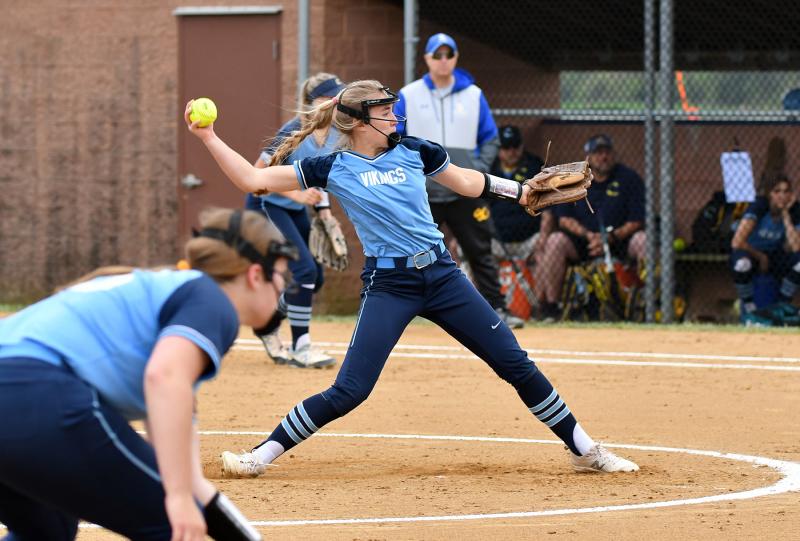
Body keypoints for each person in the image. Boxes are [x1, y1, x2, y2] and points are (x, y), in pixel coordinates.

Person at [184, 79, 640, 478]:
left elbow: (466, 181)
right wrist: (207, 136)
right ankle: (260, 455)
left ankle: (585, 450)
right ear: (360, 122)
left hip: (442, 276)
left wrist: (519, 192)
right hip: (389, 286)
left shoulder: (417, 150)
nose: (394, 115)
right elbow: (251, 180)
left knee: (515, 364)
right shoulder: (333, 166)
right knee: (349, 390)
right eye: (384, 111)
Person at [0, 207, 296, 540]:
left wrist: (185, 494)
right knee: (173, 524)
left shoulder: (168, 291)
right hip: (34, 394)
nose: (283, 289)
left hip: (20, 397)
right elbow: (164, 376)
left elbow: (192, 481)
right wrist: (179, 499)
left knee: (48, 529)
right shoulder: (212, 300)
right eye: (281, 277)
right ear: (256, 274)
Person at [394, 33, 524, 329]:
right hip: (424, 192)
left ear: (455, 58)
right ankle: (400, 309)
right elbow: (394, 138)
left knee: (480, 250)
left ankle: (498, 309)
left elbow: (489, 138)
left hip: (465, 191)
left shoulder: (473, 94)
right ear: (426, 59)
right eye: (436, 55)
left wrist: (474, 170)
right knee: (411, 249)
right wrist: (412, 174)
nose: (442, 61)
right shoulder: (409, 94)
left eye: (448, 54)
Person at [245, 72, 346, 369]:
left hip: (294, 207)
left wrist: (325, 213)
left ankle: (267, 323)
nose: (337, 102)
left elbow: (321, 176)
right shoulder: (291, 132)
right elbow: (255, 177)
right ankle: (301, 346)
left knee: (315, 277)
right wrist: (298, 197)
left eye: (339, 97)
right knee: (304, 272)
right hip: (267, 205)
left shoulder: (336, 133)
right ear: (313, 103)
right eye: (331, 97)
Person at [537, 134, 646, 320]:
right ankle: (552, 309)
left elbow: (637, 220)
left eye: (607, 152)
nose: (603, 157)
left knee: (643, 240)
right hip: (583, 242)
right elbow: (564, 220)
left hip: (619, 241)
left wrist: (611, 237)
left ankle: (649, 304)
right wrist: (589, 236)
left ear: (614, 155)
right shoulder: (573, 179)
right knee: (555, 241)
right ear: (587, 157)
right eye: (597, 153)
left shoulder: (629, 178)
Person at [730, 173, 800, 325]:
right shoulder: (759, 206)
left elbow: (795, 248)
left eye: (786, 191)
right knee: (742, 264)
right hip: (751, 251)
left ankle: (783, 302)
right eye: (777, 191)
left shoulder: (794, 210)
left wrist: (786, 215)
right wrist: (760, 256)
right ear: (769, 194)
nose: (782, 195)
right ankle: (748, 305)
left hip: (775, 255)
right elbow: (737, 242)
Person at [489, 125, 554, 277]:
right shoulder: (489, 168)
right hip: (497, 242)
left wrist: (543, 239)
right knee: (468, 252)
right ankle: (480, 300)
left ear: (522, 145)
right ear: (498, 149)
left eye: (515, 146)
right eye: (506, 147)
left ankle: (541, 301)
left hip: (530, 241)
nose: (512, 151)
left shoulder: (535, 166)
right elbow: (477, 208)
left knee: (546, 254)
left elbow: (548, 207)